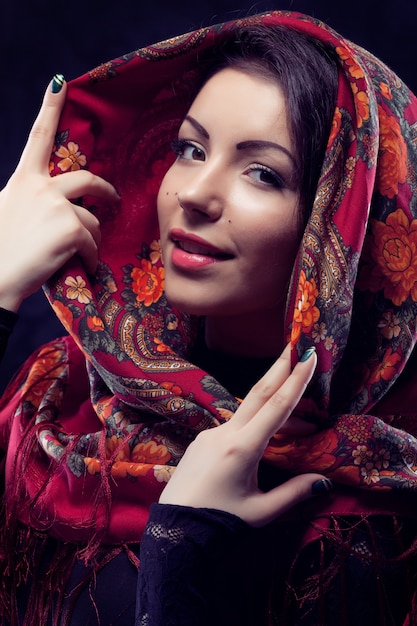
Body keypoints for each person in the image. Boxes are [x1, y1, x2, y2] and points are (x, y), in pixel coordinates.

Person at [0, 9, 417, 626]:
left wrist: (182, 547)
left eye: (263, 173)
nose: (193, 192)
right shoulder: (56, 398)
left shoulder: (381, 499)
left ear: (348, 221)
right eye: (190, 149)